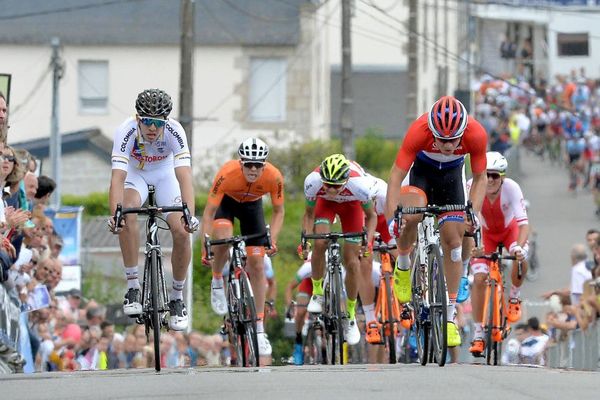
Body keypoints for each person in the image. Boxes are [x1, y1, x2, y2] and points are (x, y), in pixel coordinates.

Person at [385, 95, 488, 348]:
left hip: (452, 178)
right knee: (412, 215)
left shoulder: (476, 133)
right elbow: (396, 175)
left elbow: (480, 178)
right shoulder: (418, 130)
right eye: (442, 139)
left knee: (454, 242)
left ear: (463, 132)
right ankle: (405, 263)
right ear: (432, 131)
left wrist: (472, 211)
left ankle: (450, 318)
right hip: (421, 174)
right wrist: (392, 217)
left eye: (453, 139)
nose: (448, 145)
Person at [108, 88, 198, 331]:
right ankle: (133, 287)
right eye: (146, 121)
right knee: (126, 212)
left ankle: (177, 298)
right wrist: (115, 214)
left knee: (181, 231)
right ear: (138, 118)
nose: (152, 128)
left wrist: (189, 213)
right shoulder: (125, 131)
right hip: (135, 175)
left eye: (157, 123)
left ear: (165, 122)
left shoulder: (175, 131)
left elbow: (184, 176)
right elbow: (118, 178)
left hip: (165, 174)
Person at [201, 138, 284, 357]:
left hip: (252, 208)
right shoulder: (226, 173)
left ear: (264, 165)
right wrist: (205, 243)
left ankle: (258, 328)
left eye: (258, 165)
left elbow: (279, 212)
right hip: (226, 205)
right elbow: (209, 213)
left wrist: (271, 239)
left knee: (257, 265)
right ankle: (218, 279)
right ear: (241, 163)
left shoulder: (274, 177)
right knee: (223, 237)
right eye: (248, 164)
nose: (253, 169)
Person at [302, 153, 377, 346]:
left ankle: (350, 315)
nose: (332, 189)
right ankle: (318, 293)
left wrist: (367, 243)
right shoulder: (313, 181)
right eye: (327, 185)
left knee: (352, 262)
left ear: (346, 180)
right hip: (325, 206)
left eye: (337, 185)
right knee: (320, 242)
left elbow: (371, 216)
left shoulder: (359, 184)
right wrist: (305, 241)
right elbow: (309, 214)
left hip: (352, 207)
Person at [467, 152, 529, 356]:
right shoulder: (472, 187)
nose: (491, 180)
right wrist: (474, 246)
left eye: (495, 176)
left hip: (509, 232)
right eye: (487, 175)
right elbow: (467, 223)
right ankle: (478, 334)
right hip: (486, 237)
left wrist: (519, 247)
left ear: (503, 177)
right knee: (478, 279)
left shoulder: (511, 188)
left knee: (521, 257)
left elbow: (523, 224)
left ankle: (514, 297)